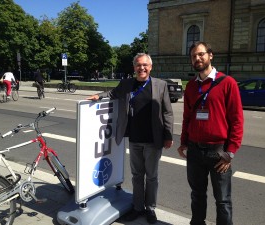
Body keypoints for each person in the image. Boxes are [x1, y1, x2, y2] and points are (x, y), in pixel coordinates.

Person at [87, 53, 174, 224]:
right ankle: (137, 207)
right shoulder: (127, 83)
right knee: (136, 175)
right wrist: (99, 96)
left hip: (153, 140)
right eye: (138, 65)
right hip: (134, 139)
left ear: (150, 67)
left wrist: (168, 135)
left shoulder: (160, 85)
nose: (141, 68)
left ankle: (150, 208)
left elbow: (167, 112)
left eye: (145, 65)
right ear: (134, 67)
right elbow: (113, 93)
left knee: (151, 177)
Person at [177, 42, 244, 225]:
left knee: (223, 199)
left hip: (218, 151)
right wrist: (184, 142)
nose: (197, 58)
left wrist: (229, 153)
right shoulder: (191, 86)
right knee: (197, 195)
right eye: (193, 56)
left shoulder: (227, 83)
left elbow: (237, 120)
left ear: (210, 55)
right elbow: (187, 117)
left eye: (200, 54)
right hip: (195, 150)